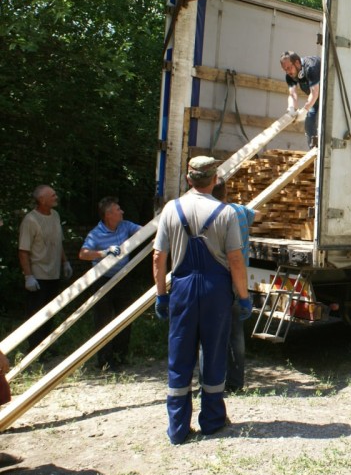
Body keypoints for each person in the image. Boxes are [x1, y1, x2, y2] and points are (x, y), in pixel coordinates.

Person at [152, 156, 252, 445]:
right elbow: (235, 259)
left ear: (188, 178)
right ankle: (211, 420)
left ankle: (178, 428)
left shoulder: (172, 209)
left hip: (182, 288)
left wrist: (161, 295)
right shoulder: (226, 213)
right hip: (215, 290)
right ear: (214, 179)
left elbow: (159, 256)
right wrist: (243, 298)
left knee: (180, 355)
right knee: (214, 352)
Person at [78, 197, 142, 370]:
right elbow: (83, 254)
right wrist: (103, 252)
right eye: (118, 209)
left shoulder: (125, 225)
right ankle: (105, 361)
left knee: (125, 317)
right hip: (103, 281)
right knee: (103, 320)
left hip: (123, 279)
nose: (122, 212)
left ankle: (120, 356)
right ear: (108, 215)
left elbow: (146, 231)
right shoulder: (96, 234)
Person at [210, 178, 255, 393]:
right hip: (238, 280)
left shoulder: (208, 215)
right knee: (236, 334)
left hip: (215, 280)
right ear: (226, 192)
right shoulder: (239, 212)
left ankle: (210, 381)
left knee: (211, 333)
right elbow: (256, 214)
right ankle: (235, 383)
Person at [18, 185, 73, 351]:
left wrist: (65, 262)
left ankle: (47, 346)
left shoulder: (55, 215)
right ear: (42, 200)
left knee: (51, 312)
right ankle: (34, 348)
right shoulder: (30, 220)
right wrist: (28, 276)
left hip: (53, 273)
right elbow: (23, 251)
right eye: (52, 195)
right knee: (36, 313)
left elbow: (58, 242)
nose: (56, 197)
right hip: (38, 274)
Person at [280, 51, 321, 148]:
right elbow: (293, 94)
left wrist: (304, 110)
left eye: (289, 68)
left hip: (328, 94)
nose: (288, 72)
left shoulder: (311, 67)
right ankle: (314, 154)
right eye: (285, 69)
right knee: (309, 124)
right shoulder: (290, 76)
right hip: (316, 99)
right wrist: (291, 109)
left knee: (324, 127)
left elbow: (315, 92)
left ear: (297, 63)